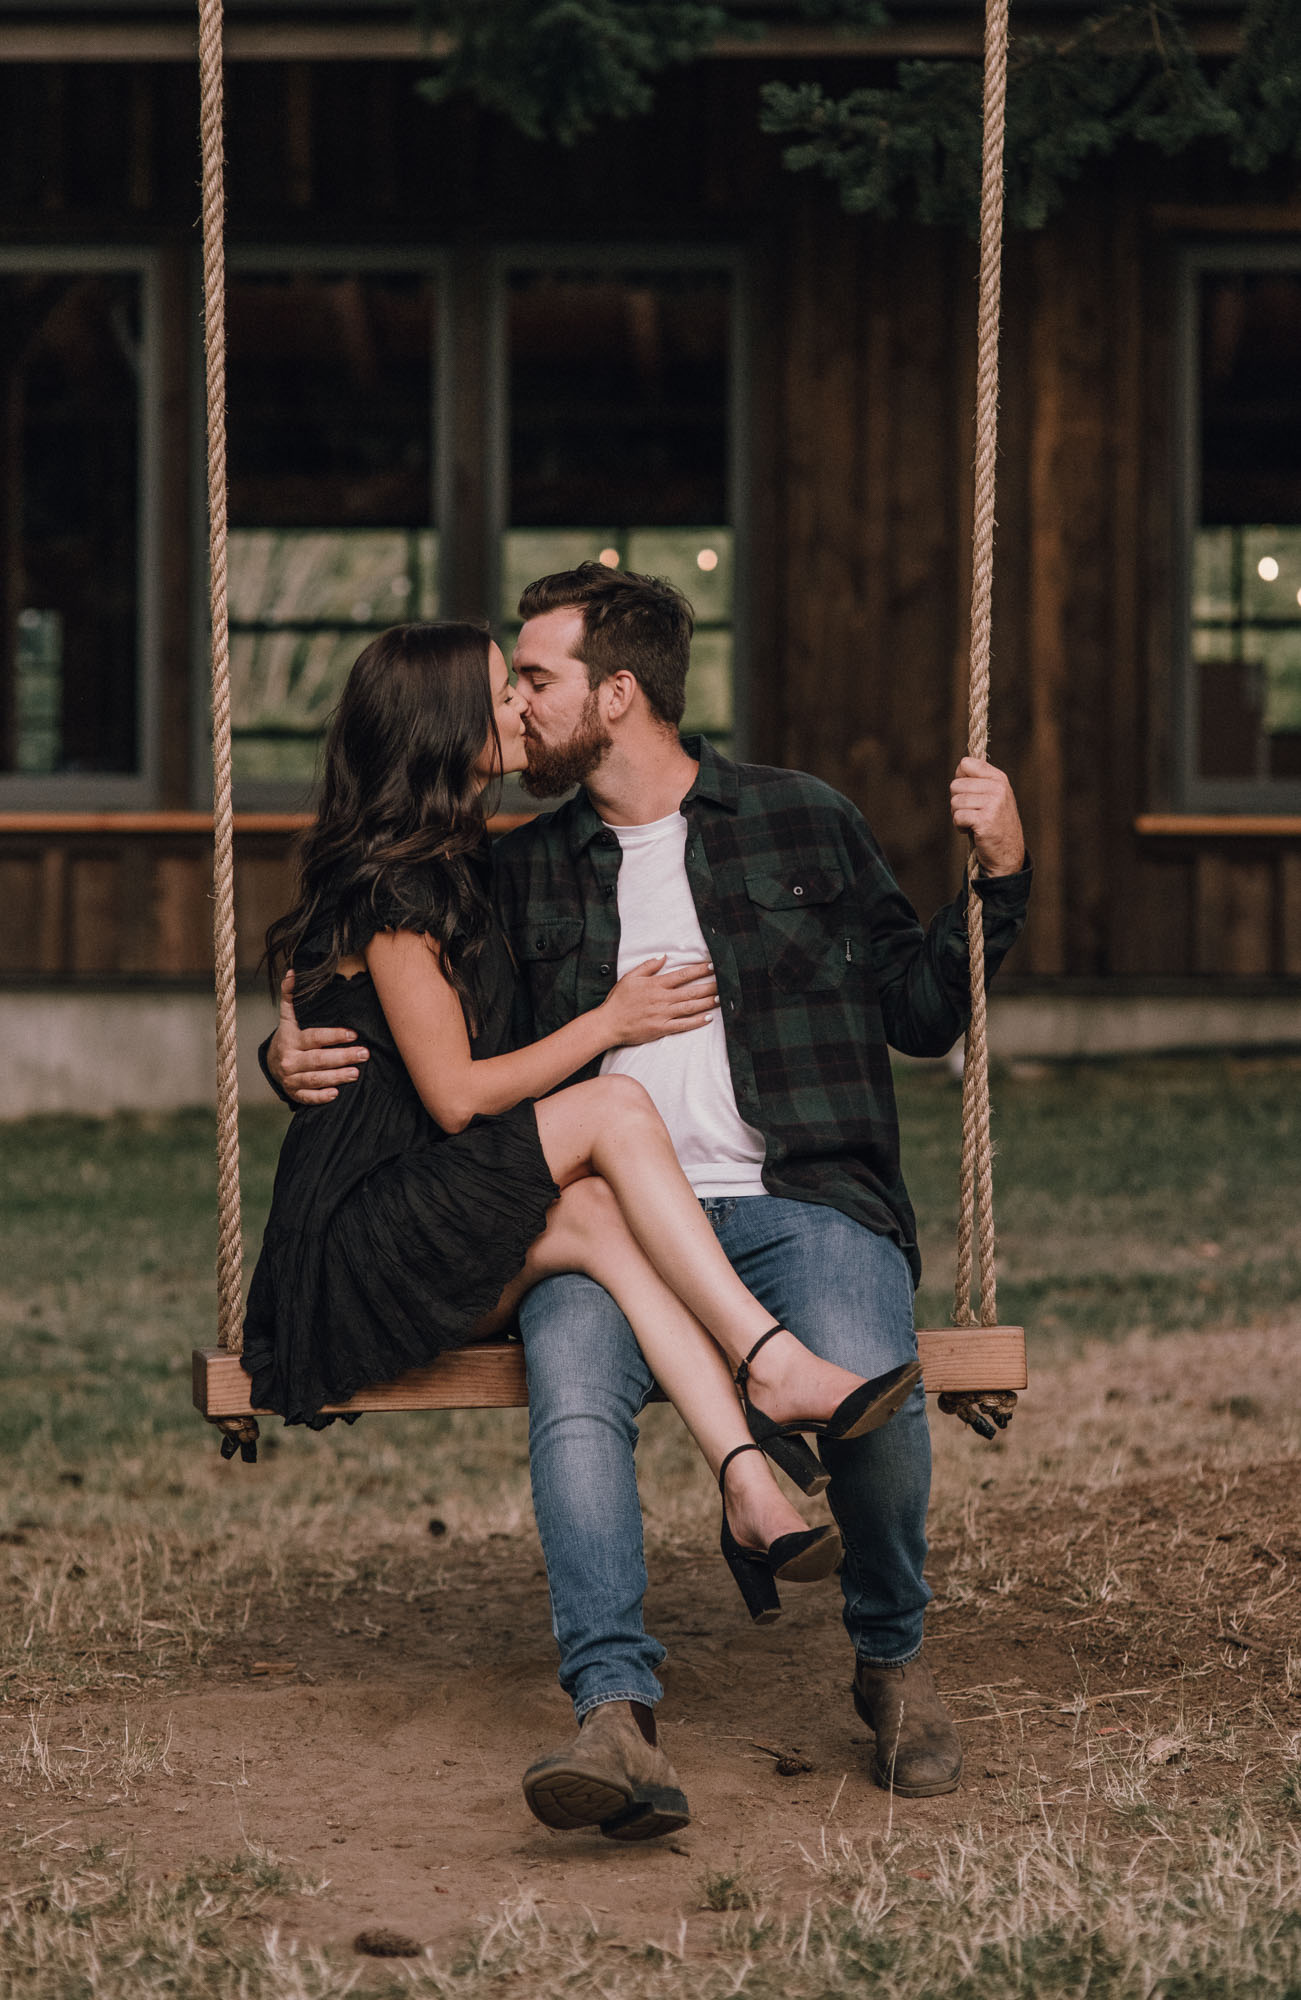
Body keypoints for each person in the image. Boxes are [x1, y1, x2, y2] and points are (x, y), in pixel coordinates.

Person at [267, 567, 1030, 1826]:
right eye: (505, 681)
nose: (515, 701)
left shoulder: (802, 821)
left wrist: (998, 876)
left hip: (795, 1193)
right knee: (572, 1385)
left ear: (614, 695)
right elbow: (402, 1009)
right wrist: (289, 1054)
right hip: (593, 1210)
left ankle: (890, 1659)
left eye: (537, 677)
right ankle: (613, 1709)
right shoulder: (512, 866)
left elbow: (920, 1005)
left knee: (872, 1366)